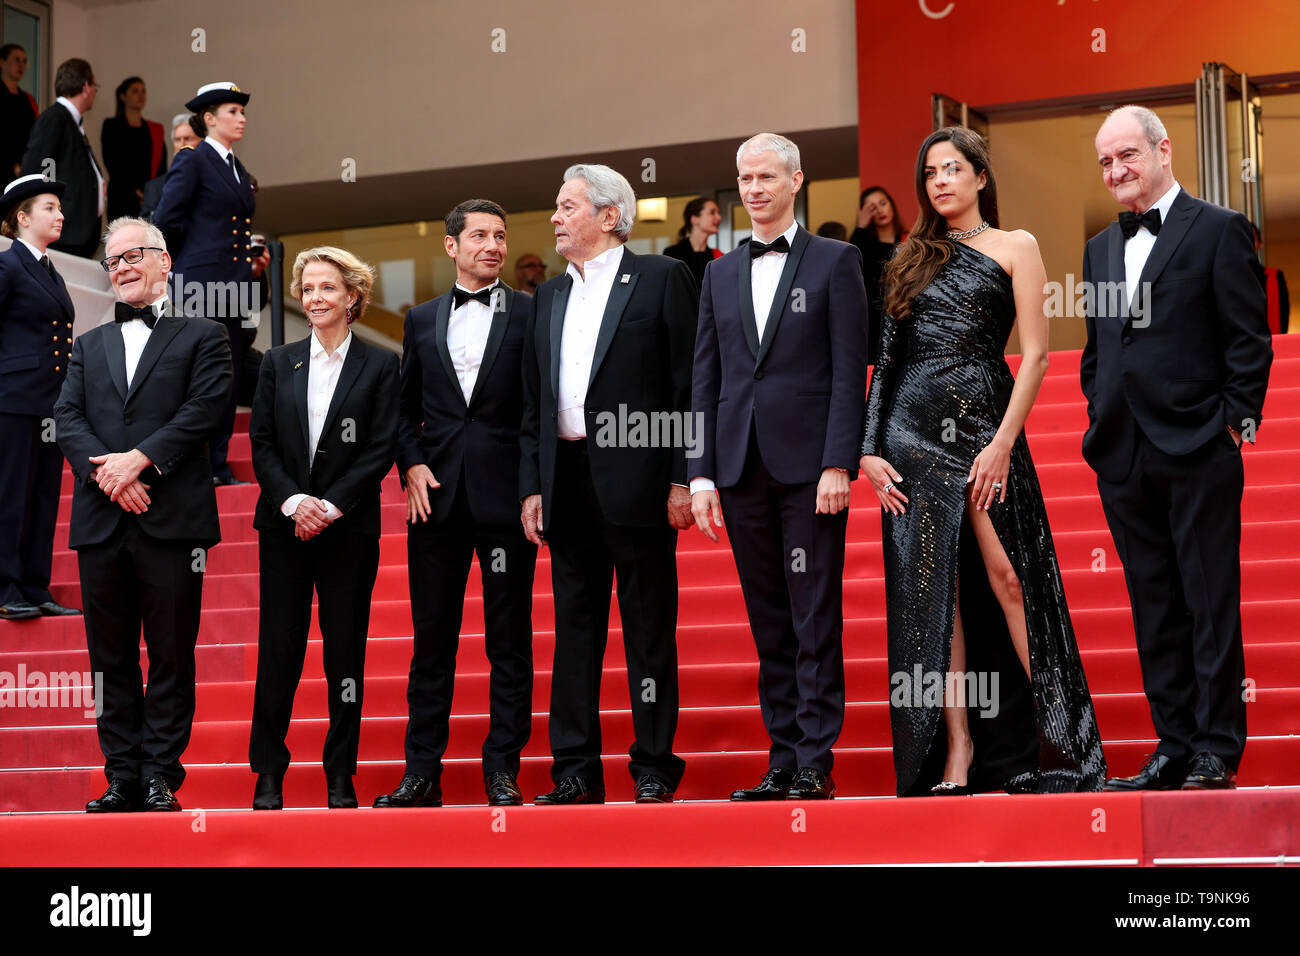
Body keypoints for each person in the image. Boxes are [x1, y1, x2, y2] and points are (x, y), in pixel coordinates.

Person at [859, 126, 1106, 796]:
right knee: (938, 598)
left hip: (982, 428)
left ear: (979, 177)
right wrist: (867, 450)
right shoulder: (908, 257)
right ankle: (958, 751)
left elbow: (1038, 354)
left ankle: (1065, 747)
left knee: (1006, 578)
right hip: (910, 436)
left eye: (952, 169)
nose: (940, 181)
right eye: (930, 172)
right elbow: (885, 364)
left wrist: (1001, 441)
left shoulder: (1016, 245)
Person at [1084, 106, 1273, 792]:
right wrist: (1096, 408)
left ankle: (1217, 748)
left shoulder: (1219, 229)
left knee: (1208, 597)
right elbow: (1103, 346)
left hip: (1197, 444)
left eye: (1127, 155)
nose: (1116, 171)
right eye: (1105, 162)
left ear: (1164, 150)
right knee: (1153, 603)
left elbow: (1248, 340)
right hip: (1123, 450)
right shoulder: (1101, 246)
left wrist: (1233, 418)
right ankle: (1174, 744)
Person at [690, 133, 868, 801]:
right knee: (769, 618)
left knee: (813, 614)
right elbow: (704, 377)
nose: (755, 188)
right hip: (738, 467)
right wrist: (701, 472)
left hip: (808, 468)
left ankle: (815, 761)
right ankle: (782, 757)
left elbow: (852, 369)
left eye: (767, 175)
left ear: (796, 181)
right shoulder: (718, 272)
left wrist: (837, 462)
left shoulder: (836, 260)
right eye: (745, 177)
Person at [520, 164, 697, 804]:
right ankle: (574, 772)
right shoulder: (547, 297)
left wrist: (684, 475)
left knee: (649, 631)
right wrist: (532, 486)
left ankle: (653, 768)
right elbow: (532, 403)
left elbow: (688, 386)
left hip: (642, 481)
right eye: (557, 207)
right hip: (565, 480)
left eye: (568, 207)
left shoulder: (661, 277)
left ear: (609, 216)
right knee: (574, 634)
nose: (556, 218)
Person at [53, 217, 232, 812]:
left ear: (164, 261)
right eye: (113, 260)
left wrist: (139, 461)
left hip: (173, 517)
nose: (123, 267)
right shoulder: (88, 344)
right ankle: (121, 776)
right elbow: (68, 419)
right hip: (102, 519)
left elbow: (205, 409)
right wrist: (109, 474)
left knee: (171, 652)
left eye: (134, 255)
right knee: (109, 659)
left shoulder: (203, 334)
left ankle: (160, 774)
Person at [374, 199, 536, 810]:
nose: (492, 246)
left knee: (508, 641)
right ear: (451, 246)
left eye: (500, 236)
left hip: (504, 502)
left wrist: (532, 488)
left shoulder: (530, 311)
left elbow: (535, 411)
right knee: (432, 642)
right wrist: (411, 462)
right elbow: (401, 408)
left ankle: (503, 770)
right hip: (435, 502)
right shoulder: (419, 320)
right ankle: (421, 774)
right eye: (479, 236)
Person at [246, 246, 398, 810]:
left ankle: (341, 775)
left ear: (352, 296)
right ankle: (268, 774)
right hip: (283, 527)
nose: (314, 299)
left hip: (348, 530)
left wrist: (329, 507)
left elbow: (379, 447)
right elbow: (261, 444)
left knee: (345, 655)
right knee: (278, 652)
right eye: (307, 289)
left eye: (327, 288)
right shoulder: (276, 361)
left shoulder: (381, 364)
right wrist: (294, 503)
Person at [153, 82, 271, 486]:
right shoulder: (193, 159)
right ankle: (190, 464)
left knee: (229, 375)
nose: (242, 119)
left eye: (242, 111)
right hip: (199, 286)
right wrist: (181, 270)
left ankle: (216, 466)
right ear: (209, 118)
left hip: (235, 286)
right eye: (233, 111)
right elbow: (166, 221)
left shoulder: (236, 167)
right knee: (199, 376)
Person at [0, 175, 81, 620]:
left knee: (44, 495)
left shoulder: (49, 268)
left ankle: (34, 585)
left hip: (50, 403)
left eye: (59, 207)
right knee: (11, 494)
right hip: (12, 400)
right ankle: (7, 586)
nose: (60, 214)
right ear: (23, 218)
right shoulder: (8, 266)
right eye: (49, 207)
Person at [20, 58, 105, 258]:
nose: (94, 92)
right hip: (66, 234)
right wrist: (50, 211)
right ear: (86, 86)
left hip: (75, 233)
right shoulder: (56, 118)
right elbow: (39, 170)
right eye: (94, 86)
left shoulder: (69, 120)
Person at [850, 185, 906, 364]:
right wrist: (861, 226)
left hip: (905, 319)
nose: (880, 210)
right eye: (872, 208)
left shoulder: (909, 242)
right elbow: (850, 270)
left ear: (892, 205)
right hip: (873, 324)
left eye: (883, 203)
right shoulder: (864, 246)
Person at [100, 77, 166, 221]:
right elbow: (112, 162)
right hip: (122, 197)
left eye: (144, 91)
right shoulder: (112, 126)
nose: (141, 95)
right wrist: (134, 192)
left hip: (149, 199)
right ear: (123, 96)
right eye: (135, 91)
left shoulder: (154, 130)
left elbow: (162, 165)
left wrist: (151, 194)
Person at [140, 114, 201, 220]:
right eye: (177, 140)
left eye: (188, 139)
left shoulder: (214, 179)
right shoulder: (154, 187)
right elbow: (146, 226)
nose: (182, 144)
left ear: (202, 142)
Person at [663, 196, 723, 289]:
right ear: (695, 219)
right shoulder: (672, 254)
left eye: (718, 213)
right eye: (712, 212)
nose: (719, 217)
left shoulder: (717, 256)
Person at [1, 45, 38, 179]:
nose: (21, 65)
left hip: (25, 168)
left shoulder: (27, 99)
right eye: (16, 60)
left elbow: (35, 135)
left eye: (24, 61)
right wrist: (13, 164)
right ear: (2, 62)